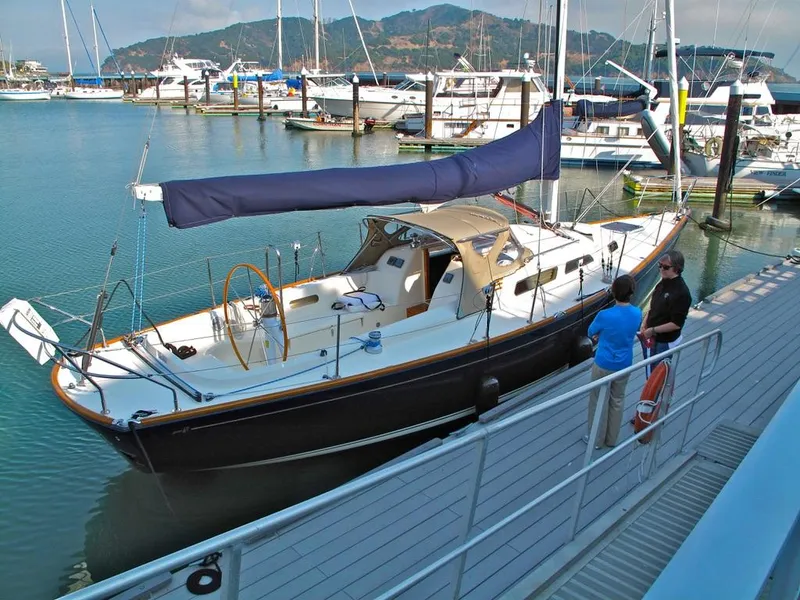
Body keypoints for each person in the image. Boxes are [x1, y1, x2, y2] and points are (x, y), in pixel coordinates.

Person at [585, 274, 642, 449]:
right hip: (624, 363)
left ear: (614, 292)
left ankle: (596, 440)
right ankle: (611, 439)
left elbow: (590, 332)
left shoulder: (604, 315)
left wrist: (600, 334)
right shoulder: (637, 313)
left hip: (603, 362)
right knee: (617, 399)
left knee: (597, 400)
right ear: (631, 293)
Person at [640, 250, 692, 368]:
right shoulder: (662, 283)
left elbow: (676, 324)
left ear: (677, 268)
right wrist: (645, 322)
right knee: (650, 369)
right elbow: (654, 307)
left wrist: (652, 330)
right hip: (652, 336)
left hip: (664, 341)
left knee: (659, 375)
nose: (661, 269)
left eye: (666, 267)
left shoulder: (682, 293)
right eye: (660, 265)